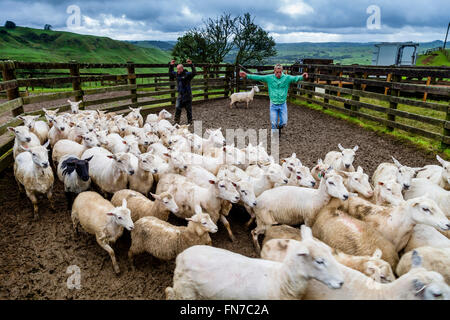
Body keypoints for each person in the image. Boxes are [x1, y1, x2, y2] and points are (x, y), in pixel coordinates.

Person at [240, 64, 308, 136]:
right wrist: (247, 75)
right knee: (274, 123)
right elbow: (258, 77)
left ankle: (279, 128)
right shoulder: (269, 78)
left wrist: (302, 77)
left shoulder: (286, 78)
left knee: (284, 122)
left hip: (283, 104)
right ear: (274, 71)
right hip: (273, 104)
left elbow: (295, 78)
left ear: (282, 71)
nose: (278, 74)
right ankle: (274, 137)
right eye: (277, 72)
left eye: (280, 72)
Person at [169, 58, 197, 124]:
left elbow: (194, 73)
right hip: (180, 94)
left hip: (187, 95)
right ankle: (176, 122)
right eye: (177, 69)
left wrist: (191, 65)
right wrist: (171, 65)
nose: (177, 70)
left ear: (182, 69)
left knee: (188, 109)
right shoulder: (177, 74)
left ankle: (190, 121)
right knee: (177, 107)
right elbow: (171, 73)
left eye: (179, 69)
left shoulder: (187, 74)